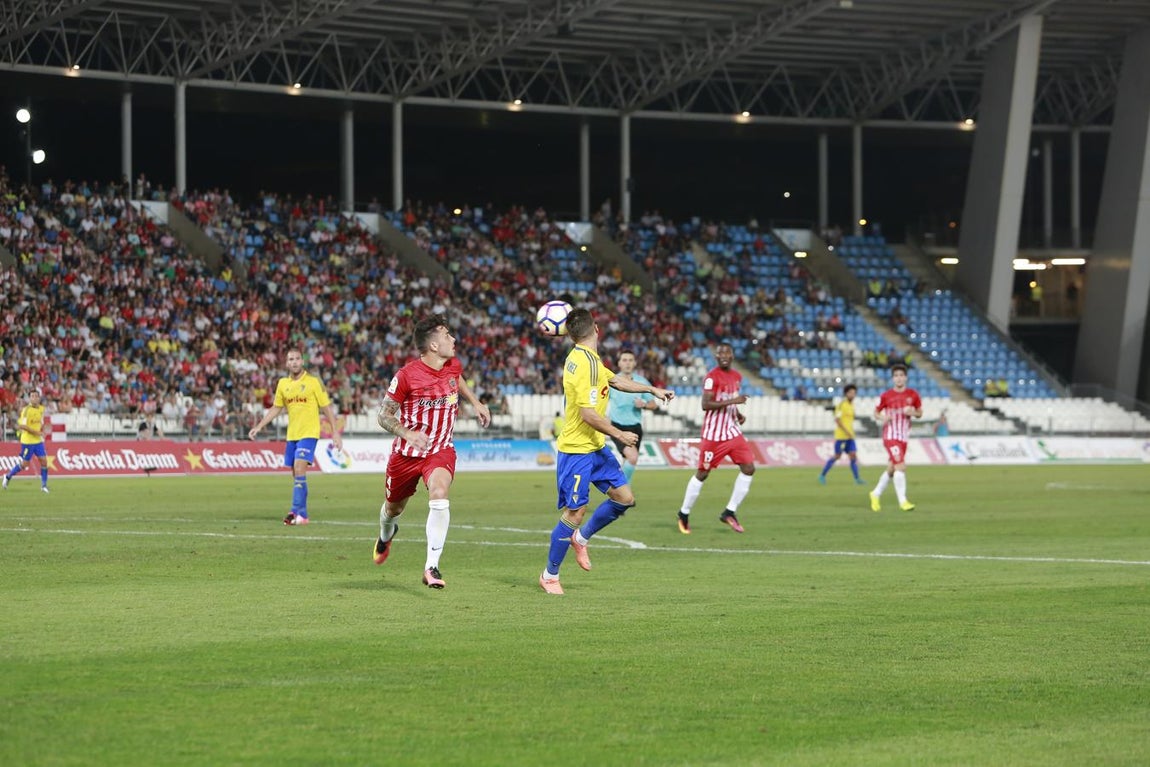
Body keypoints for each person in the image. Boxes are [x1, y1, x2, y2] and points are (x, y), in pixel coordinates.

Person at [539, 308, 674, 595]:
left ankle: (582, 539)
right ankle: (550, 575)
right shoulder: (584, 363)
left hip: (595, 447)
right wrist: (620, 434)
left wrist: (651, 389)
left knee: (624, 498)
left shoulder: (588, 359)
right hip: (576, 450)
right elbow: (588, 414)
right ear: (596, 329)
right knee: (574, 512)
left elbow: (615, 381)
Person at [373, 315, 491, 590]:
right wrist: (408, 433)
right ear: (434, 346)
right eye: (447, 334)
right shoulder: (406, 376)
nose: (453, 339)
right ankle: (386, 535)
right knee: (393, 509)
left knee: (439, 493)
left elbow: (457, 378)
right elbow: (383, 415)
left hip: (440, 449)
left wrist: (475, 401)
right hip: (405, 454)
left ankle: (431, 566)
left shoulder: (453, 365)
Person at [248, 349, 343, 525]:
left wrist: (335, 432)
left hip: (309, 433)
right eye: (290, 359)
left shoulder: (314, 382)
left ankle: (294, 512)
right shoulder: (283, 384)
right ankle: (303, 514)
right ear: (286, 363)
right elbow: (276, 408)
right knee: (296, 474)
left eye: (297, 359)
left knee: (299, 469)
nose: (294, 362)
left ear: (302, 361)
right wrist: (259, 426)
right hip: (292, 435)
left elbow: (326, 407)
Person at [676, 342, 756, 535]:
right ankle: (684, 513)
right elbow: (706, 404)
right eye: (720, 353)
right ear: (716, 357)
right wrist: (734, 402)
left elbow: (729, 398)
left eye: (727, 353)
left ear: (732, 355)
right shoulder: (711, 377)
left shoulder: (737, 376)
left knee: (749, 468)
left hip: (732, 432)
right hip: (714, 436)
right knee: (702, 473)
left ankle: (730, 512)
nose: (724, 356)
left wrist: (736, 413)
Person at [869, 364, 923, 512]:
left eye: (901, 375)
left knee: (892, 469)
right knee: (901, 467)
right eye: (896, 375)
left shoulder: (913, 395)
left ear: (905, 377)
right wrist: (882, 417)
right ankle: (903, 502)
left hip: (904, 437)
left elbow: (920, 413)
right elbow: (876, 412)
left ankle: (875, 493)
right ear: (893, 379)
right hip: (890, 435)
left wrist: (911, 412)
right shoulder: (886, 395)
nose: (899, 378)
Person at [607, 349, 659, 484]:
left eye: (630, 360)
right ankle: (621, 489)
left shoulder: (642, 382)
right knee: (633, 457)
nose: (627, 363)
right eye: (624, 360)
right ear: (619, 363)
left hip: (635, 427)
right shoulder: (612, 381)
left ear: (635, 363)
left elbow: (654, 405)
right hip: (617, 426)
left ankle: (623, 495)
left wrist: (644, 405)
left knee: (627, 460)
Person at [3, 389, 50, 493]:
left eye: (36, 396)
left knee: (44, 461)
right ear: (29, 398)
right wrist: (36, 432)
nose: (34, 398)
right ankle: (7, 476)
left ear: (39, 398)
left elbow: (41, 422)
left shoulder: (42, 409)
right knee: (24, 465)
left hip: (38, 441)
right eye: (32, 396)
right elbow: (23, 426)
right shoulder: (26, 410)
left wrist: (43, 430)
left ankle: (44, 486)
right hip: (28, 441)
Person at [818, 383, 864, 485]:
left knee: (853, 455)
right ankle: (822, 475)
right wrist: (846, 431)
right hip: (841, 436)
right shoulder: (841, 405)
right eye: (850, 393)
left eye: (854, 393)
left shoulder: (852, 405)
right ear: (846, 393)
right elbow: (837, 420)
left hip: (850, 436)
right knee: (837, 456)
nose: (852, 395)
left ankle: (857, 479)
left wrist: (850, 432)